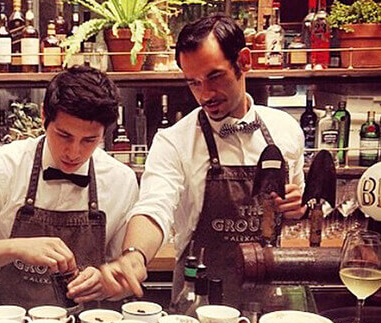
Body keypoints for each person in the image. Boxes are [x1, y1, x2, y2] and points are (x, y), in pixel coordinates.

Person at [99, 15, 307, 307]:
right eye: (193, 83)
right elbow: (155, 205)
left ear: (244, 61)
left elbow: (295, 205)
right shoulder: (174, 141)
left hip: (271, 299)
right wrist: (134, 255)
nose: (205, 94)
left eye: (214, 77)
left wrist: (296, 208)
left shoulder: (286, 130)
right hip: (198, 301)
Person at [0, 66, 139, 310]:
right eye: (64, 135)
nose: (74, 153)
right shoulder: (4, 164)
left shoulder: (121, 180)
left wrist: (106, 284)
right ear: (44, 117)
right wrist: (16, 248)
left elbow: (124, 273)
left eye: (89, 140)